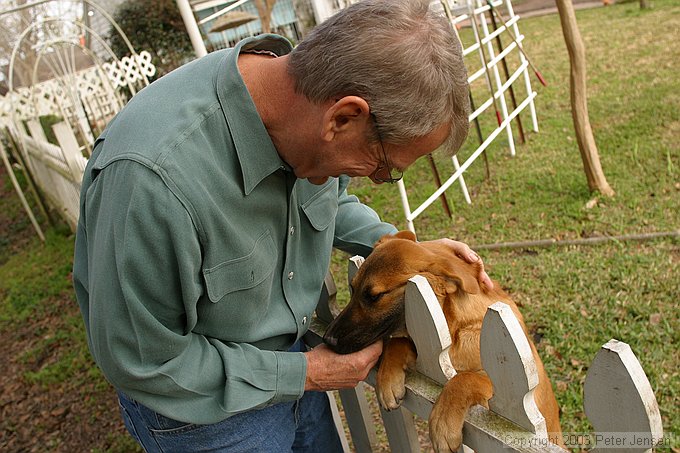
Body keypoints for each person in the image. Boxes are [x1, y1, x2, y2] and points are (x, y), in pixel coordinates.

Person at [72, 0, 491, 451]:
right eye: (385, 166)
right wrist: (305, 373)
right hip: (205, 418)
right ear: (344, 117)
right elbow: (142, 359)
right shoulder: (151, 183)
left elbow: (330, 201)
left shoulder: (302, 105)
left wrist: (410, 256)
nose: (377, 179)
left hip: (299, 372)